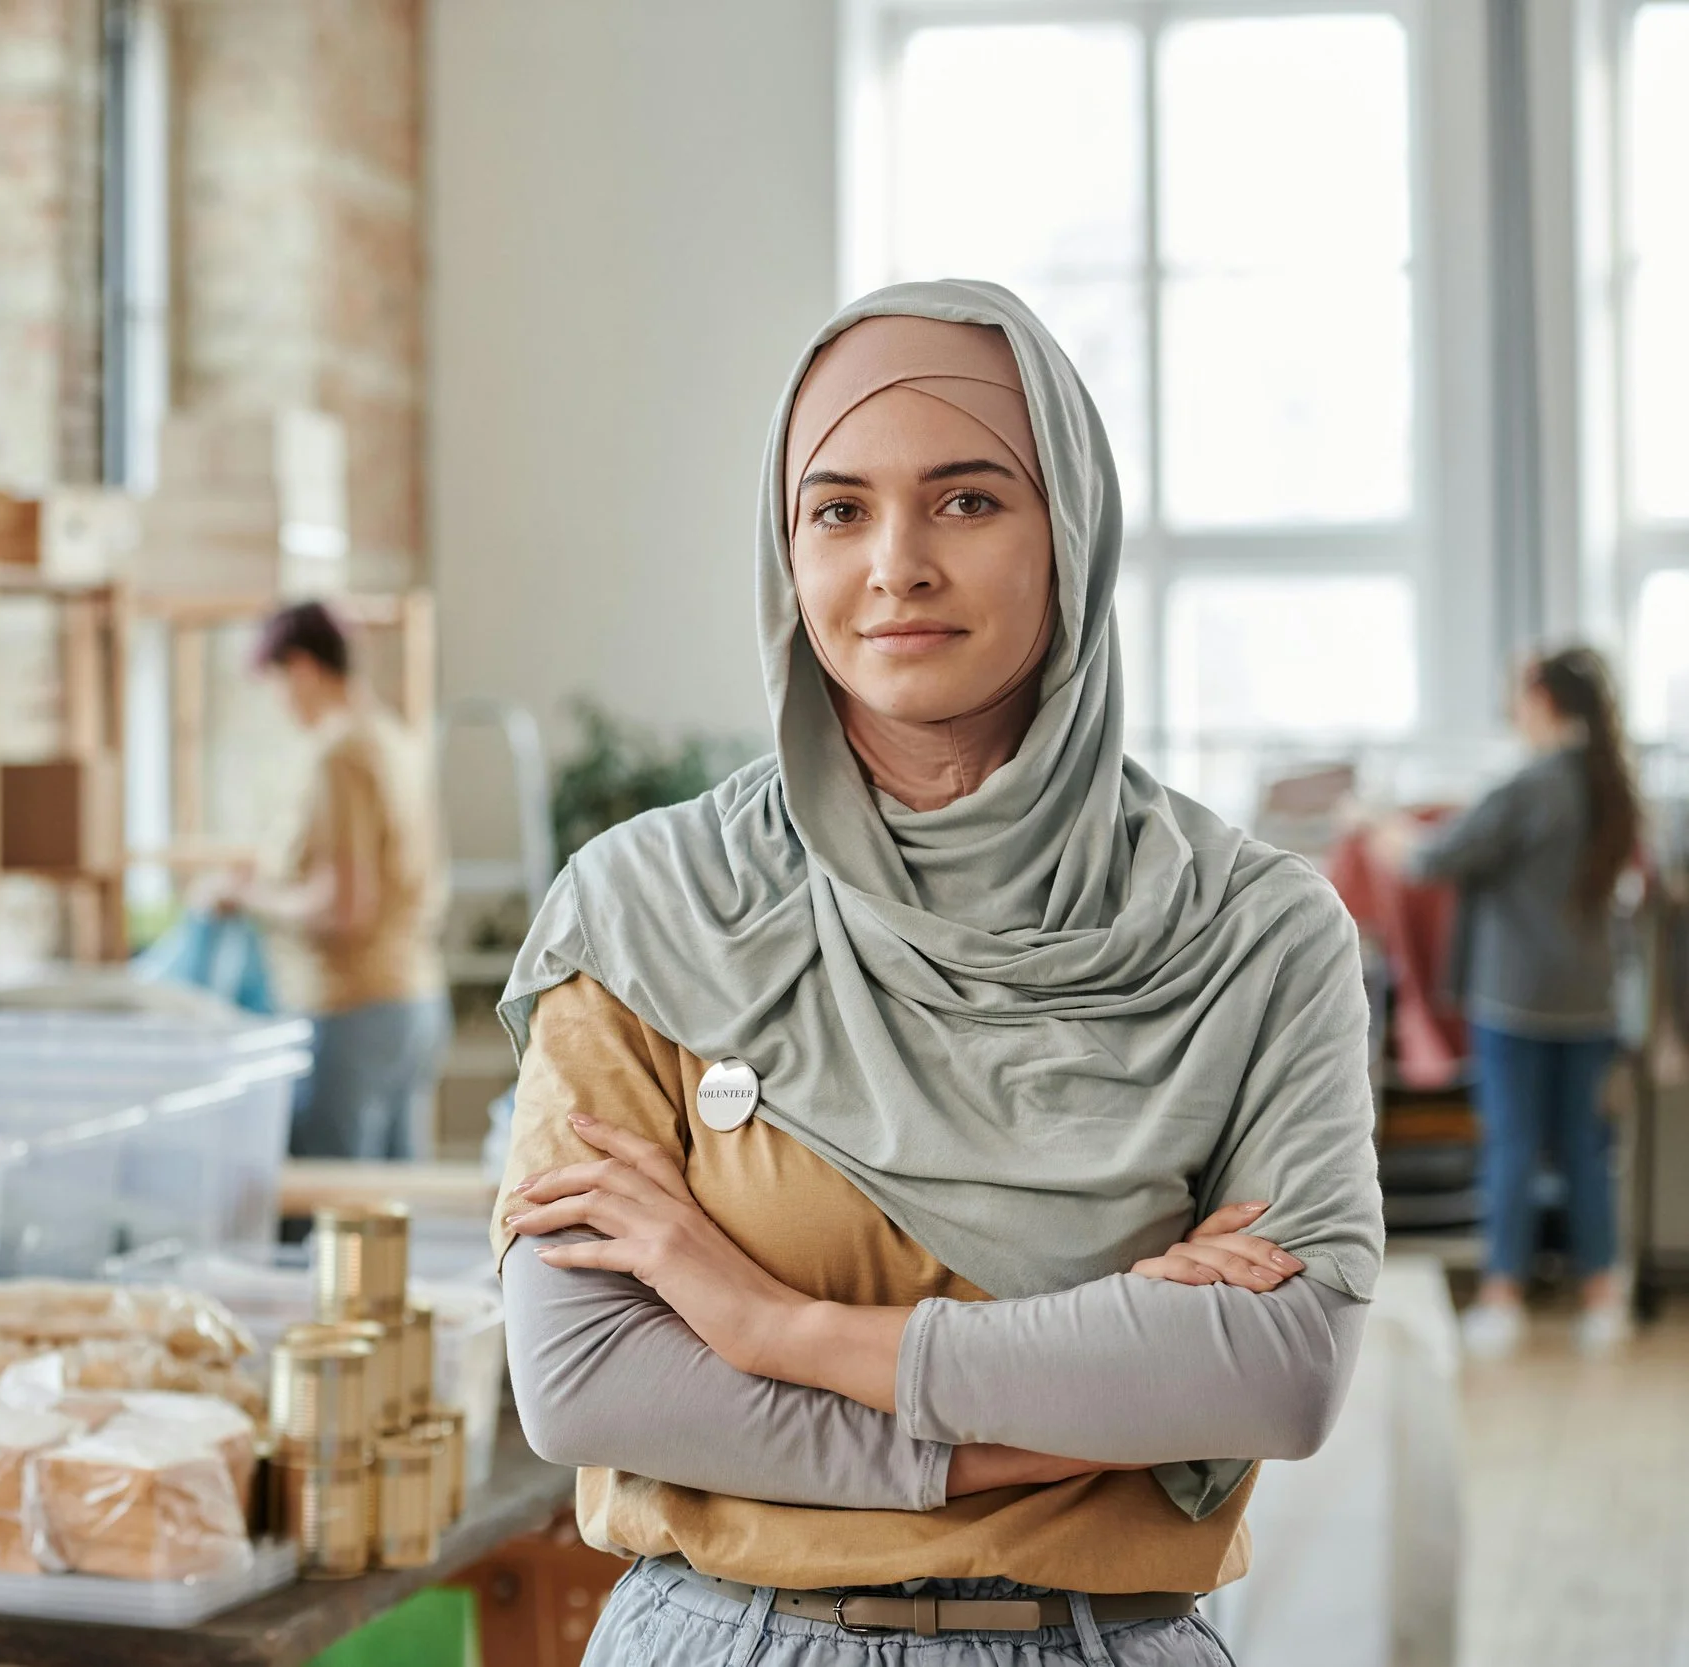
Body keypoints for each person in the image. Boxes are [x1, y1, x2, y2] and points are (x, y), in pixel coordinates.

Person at [491, 283, 1382, 1665]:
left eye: (967, 500)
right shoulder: (646, 908)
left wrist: (769, 1321)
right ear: (786, 549)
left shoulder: (1255, 932)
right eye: (837, 509)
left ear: (1069, 535)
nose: (895, 563)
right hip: (724, 1636)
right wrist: (1003, 1442)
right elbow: (588, 1377)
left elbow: (1277, 1369)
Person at [1394, 647, 1639, 1358]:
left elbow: (1433, 858)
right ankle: (1603, 1296)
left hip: (1518, 1002)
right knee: (1587, 1151)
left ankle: (1503, 1296)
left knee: (1512, 1146)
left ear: (1541, 701)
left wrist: (1385, 832)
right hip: (1591, 1001)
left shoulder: (1531, 785)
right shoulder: (1610, 785)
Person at [212, 602, 448, 1159]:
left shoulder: (338, 755)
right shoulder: (393, 738)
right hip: (411, 1000)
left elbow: (344, 907)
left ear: (301, 668)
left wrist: (247, 897)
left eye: (276, 681)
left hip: (350, 1008)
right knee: (388, 1214)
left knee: (334, 1217)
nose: (280, 700)